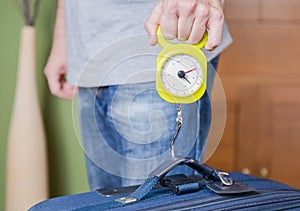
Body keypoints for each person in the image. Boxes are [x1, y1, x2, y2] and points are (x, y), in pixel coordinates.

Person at [44, 0, 232, 190]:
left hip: (165, 55)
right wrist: (63, 38)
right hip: (89, 58)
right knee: (104, 201)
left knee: (157, 201)